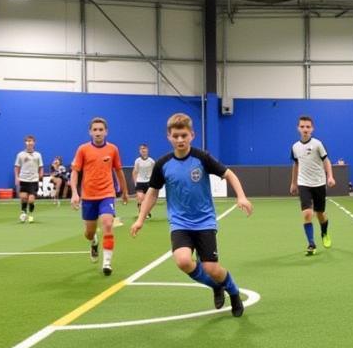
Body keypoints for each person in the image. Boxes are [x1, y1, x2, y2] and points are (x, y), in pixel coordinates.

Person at [131, 113, 252, 316]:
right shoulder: (162, 164)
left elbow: (228, 174)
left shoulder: (202, 158)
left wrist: (241, 197)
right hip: (179, 222)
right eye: (176, 135)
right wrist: (141, 219)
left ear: (192, 135)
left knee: (212, 268)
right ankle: (215, 286)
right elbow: (152, 192)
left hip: (204, 222)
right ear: (168, 136)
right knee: (183, 261)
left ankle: (232, 290)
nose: (180, 140)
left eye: (184, 135)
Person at [69, 117, 129, 277]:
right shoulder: (82, 149)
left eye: (101, 129)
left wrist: (124, 191)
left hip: (107, 194)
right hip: (88, 196)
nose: (98, 132)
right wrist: (74, 192)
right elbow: (75, 171)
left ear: (106, 132)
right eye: (95, 129)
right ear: (90, 132)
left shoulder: (113, 149)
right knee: (89, 232)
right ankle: (94, 241)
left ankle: (107, 263)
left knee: (108, 224)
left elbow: (118, 170)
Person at [290, 115, 335, 256]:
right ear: (298, 128)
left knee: (320, 214)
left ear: (312, 129)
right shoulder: (295, 147)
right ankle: (311, 244)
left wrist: (330, 176)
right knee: (307, 213)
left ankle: (324, 232)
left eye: (308, 127)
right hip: (304, 184)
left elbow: (326, 161)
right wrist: (293, 182)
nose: (305, 129)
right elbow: (296, 164)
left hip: (319, 183)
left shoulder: (317, 144)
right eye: (302, 126)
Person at [14, 135, 44, 223]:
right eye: (27, 141)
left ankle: (31, 214)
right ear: (25, 143)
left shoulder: (38, 155)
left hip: (34, 180)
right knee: (23, 198)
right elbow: (17, 167)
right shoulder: (20, 155)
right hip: (23, 179)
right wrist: (17, 177)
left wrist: (40, 174)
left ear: (34, 143)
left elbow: (41, 166)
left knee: (31, 199)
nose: (29, 143)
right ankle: (23, 213)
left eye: (31, 141)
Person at [132, 144, 156, 219]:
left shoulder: (151, 161)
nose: (143, 150)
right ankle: (141, 214)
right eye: (141, 149)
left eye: (144, 149)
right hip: (139, 181)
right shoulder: (137, 161)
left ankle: (146, 212)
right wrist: (135, 182)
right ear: (139, 151)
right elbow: (135, 172)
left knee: (147, 199)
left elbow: (154, 172)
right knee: (140, 197)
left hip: (148, 182)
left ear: (147, 150)